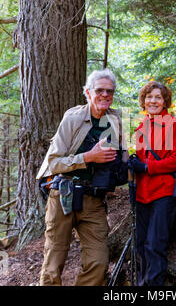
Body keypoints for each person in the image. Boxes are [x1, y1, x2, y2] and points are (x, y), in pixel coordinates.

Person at [36, 68, 128, 286]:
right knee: (53, 263)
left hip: (94, 201)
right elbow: (53, 163)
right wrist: (88, 157)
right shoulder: (73, 118)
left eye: (110, 91)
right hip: (63, 196)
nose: (105, 95)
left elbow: (122, 159)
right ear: (88, 93)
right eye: (99, 91)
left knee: (98, 261)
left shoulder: (116, 121)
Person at [129, 80, 176, 286]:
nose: (152, 100)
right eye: (149, 97)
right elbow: (140, 157)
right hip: (142, 193)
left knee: (155, 245)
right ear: (143, 101)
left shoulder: (173, 124)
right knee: (141, 244)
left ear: (165, 102)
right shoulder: (141, 126)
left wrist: (147, 167)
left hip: (164, 192)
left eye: (157, 97)